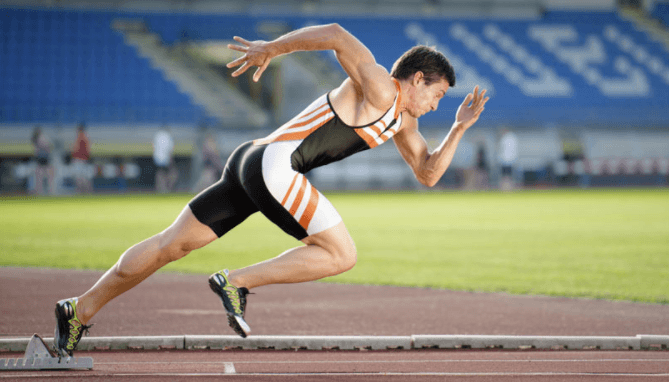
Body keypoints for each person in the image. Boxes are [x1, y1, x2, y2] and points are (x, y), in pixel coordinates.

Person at [53, 23, 488, 357]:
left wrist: (457, 129)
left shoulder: (404, 122)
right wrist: (271, 49)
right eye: (438, 95)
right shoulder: (379, 86)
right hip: (276, 166)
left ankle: (81, 309)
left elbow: (428, 173)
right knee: (342, 254)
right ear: (416, 79)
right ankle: (236, 283)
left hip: (250, 161)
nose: (436, 105)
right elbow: (336, 35)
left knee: (171, 245)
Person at [153, 126, 177, 193]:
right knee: (173, 173)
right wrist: (170, 159)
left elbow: (154, 147)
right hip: (166, 158)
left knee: (160, 173)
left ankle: (160, 188)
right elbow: (169, 149)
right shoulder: (168, 136)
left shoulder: (157, 135)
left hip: (157, 158)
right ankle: (166, 188)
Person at [31, 125, 54, 195]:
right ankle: (40, 190)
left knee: (45, 175)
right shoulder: (38, 138)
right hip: (42, 158)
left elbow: (48, 147)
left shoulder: (41, 138)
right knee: (40, 175)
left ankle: (48, 190)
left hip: (44, 158)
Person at [71, 122, 93, 194]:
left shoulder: (80, 137)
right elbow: (88, 149)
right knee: (84, 176)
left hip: (79, 158)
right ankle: (87, 190)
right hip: (84, 158)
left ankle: (81, 190)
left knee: (79, 176)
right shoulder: (86, 136)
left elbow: (75, 148)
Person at [497, 127, 518, 191]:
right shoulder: (513, 137)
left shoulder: (504, 138)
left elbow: (500, 148)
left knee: (505, 176)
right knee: (509, 176)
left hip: (505, 160)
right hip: (511, 159)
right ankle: (509, 188)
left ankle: (505, 188)